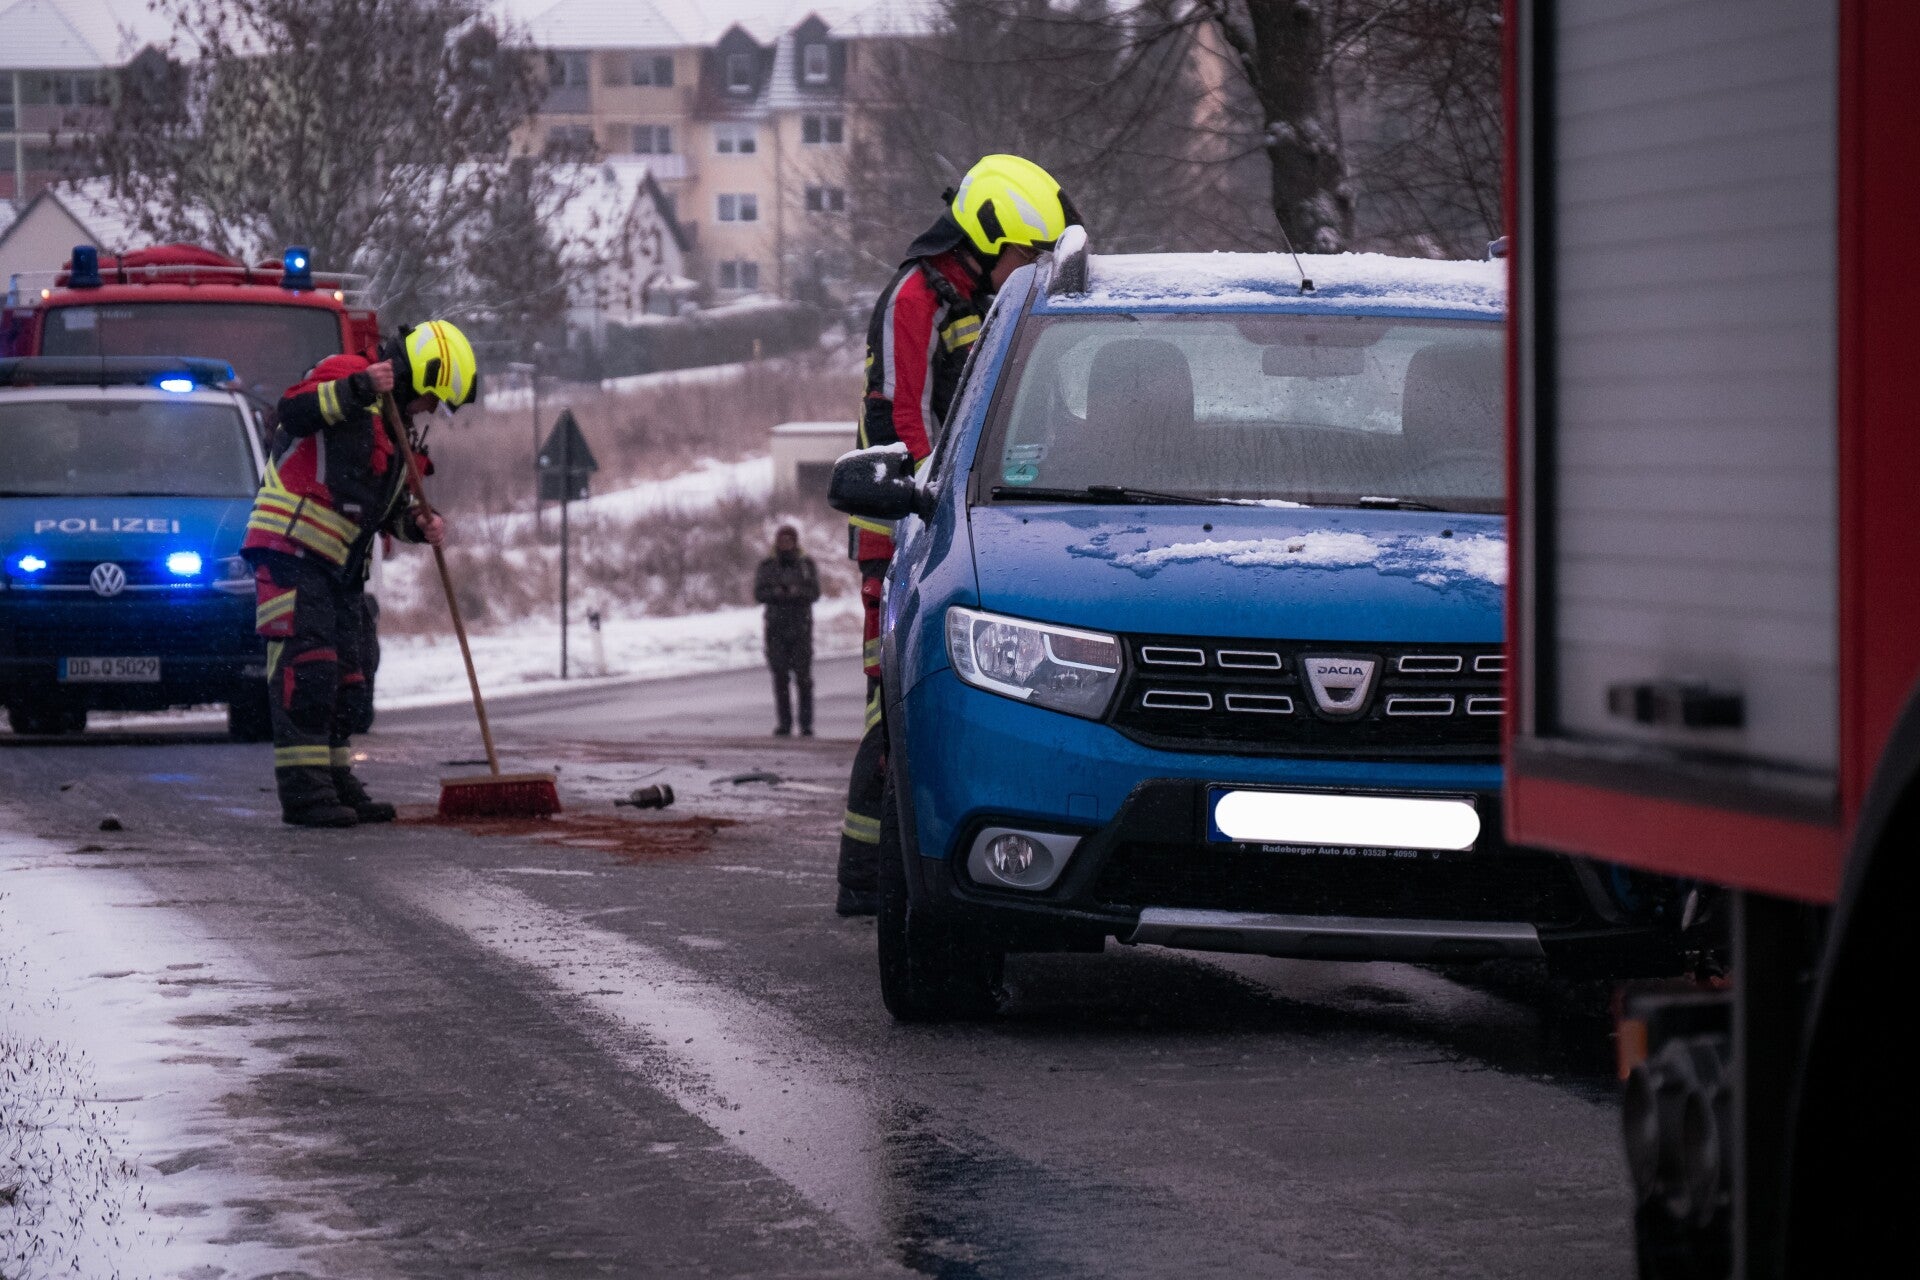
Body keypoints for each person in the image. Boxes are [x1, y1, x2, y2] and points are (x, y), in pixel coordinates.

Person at [836, 154, 1081, 916]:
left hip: (964, 525)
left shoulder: (986, 302)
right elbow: (900, 417)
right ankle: (867, 881)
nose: (1030, 269)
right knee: (892, 707)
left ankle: (886, 874)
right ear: (987, 239)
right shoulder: (915, 299)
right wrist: (927, 512)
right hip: (902, 529)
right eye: (1026, 253)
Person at [242, 320, 479, 827]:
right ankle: (305, 794)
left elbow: (383, 512)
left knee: (351, 676)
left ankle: (335, 779)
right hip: (292, 550)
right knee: (309, 669)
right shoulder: (347, 373)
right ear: (420, 376)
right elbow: (294, 412)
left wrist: (419, 524)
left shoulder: (396, 428)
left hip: (341, 569)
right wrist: (359, 387)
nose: (430, 410)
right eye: (433, 399)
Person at [754, 524, 821, 737]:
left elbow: (814, 592)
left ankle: (806, 724)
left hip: (801, 627)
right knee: (780, 677)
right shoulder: (768, 566)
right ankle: (784, 724)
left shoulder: (805, 564)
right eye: (782, 540)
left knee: (804, 678)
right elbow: (759, 593)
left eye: (788, 540)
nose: (785, 544)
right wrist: (777, 593)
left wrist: (796, 592)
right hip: (776, 629)